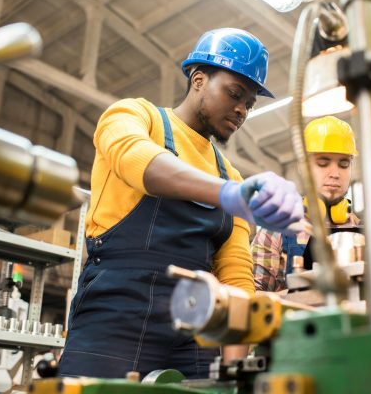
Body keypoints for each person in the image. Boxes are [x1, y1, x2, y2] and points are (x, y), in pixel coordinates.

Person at [58, 28, 304, 379]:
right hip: (115, 313)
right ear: (199, 79)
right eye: (235, 93)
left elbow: (235, 276)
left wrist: (235, 368)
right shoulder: (136, 116)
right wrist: (227, 195)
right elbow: (135, 158)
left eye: (249, 103)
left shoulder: (229, 173)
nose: (241, 110)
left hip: (197, 326)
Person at [252, 116, 359, 292]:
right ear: (303, 168)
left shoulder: (360, 230)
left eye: (344, 164)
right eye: (323, 163)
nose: (335, 173)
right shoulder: (275, 229)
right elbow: (254, 299)